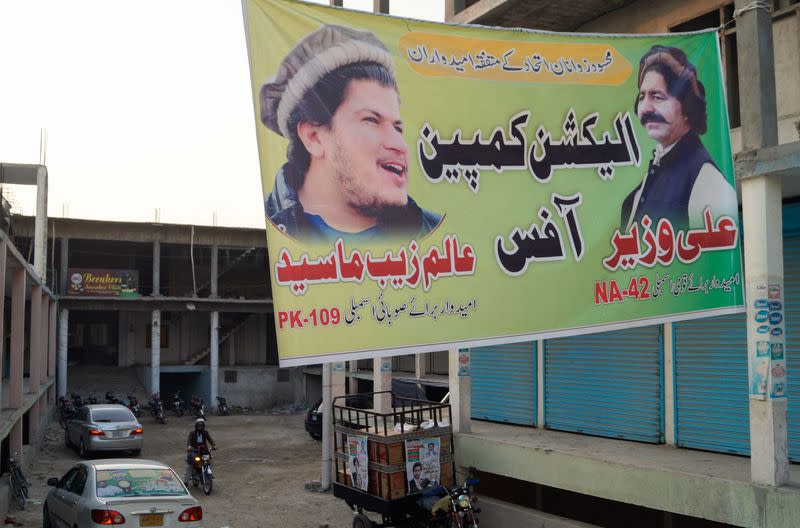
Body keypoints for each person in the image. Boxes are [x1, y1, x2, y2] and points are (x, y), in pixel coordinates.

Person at [260, 24, 442, 243]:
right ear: (314, 137)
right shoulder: (266, 238)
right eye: (371, 120)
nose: (400, 145)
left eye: (398, 127)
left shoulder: (435, 232)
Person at [620, 45, 737, 232]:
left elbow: (715, 257)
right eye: (642, 97)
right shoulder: (647, 181)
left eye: (657, 97)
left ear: (687, 106)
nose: (645, 108)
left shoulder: (706, 178)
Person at [183, 418, 217, 486]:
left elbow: (210, 439)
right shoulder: (192, 433)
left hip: (204, 451)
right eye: (199, 426)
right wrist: (189, 446)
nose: (200, 427)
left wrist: (213, 445)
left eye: (201, 426)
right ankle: (185, 480)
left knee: (210, 461)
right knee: (190, 464)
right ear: (196, 426)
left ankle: (211, 474)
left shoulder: (205, 432)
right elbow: (189, 441)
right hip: (194, 451)